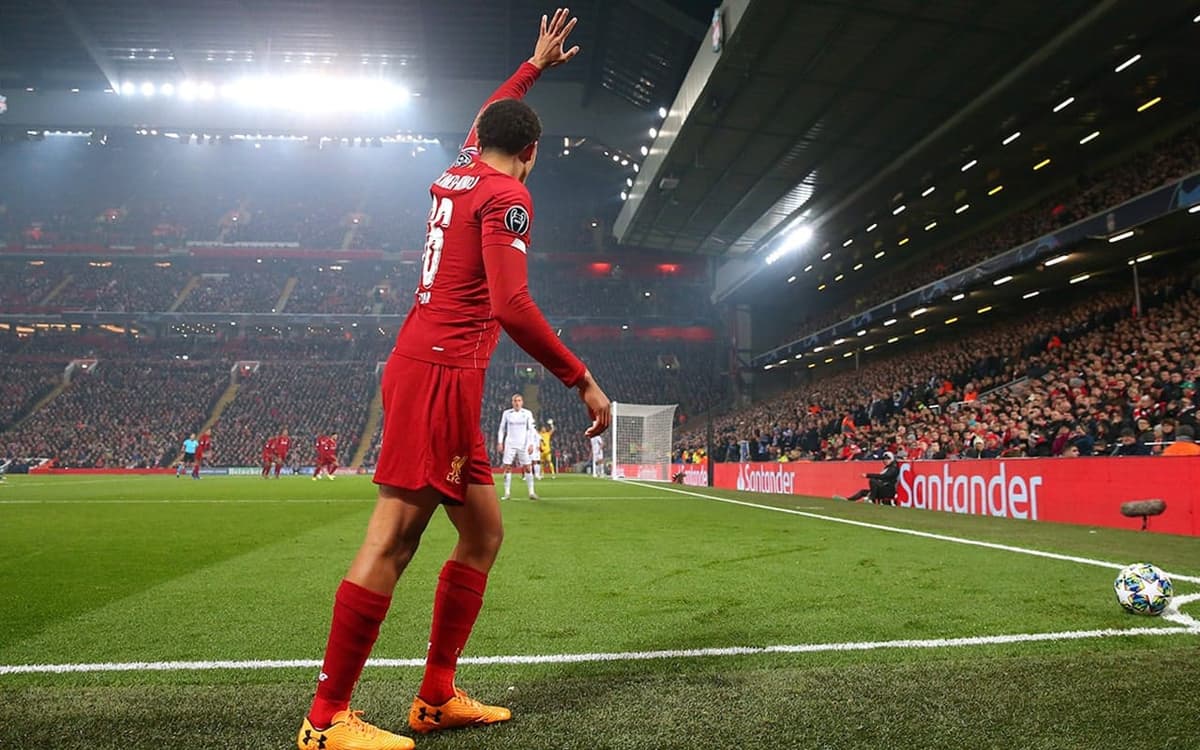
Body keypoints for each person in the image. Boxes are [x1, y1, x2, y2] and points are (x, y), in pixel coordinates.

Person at [297, 11, 610, 750]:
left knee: (483, 532)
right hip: (438, 373)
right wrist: (582, 380)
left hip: (433, 366)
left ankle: (435, 697)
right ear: (532, 152)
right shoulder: (508, 196)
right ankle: (324, 719)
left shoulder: (462, 165)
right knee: (392, 540)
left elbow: (489, 113)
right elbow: (513, 305)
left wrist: (531, 68)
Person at [497, 394, 537, 500]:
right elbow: (502, 428)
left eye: (519, 400)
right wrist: (500, 442)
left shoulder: (527, 413)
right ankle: (507, 493)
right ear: (512, 402)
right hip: (510, 444)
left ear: (522, 402)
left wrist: (531, 444)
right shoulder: (507, 413)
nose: (517, 402)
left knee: (528, 467)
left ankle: (531, 493)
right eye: (515, 400)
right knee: (507, 467)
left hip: (523, 444)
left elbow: (531, 430)